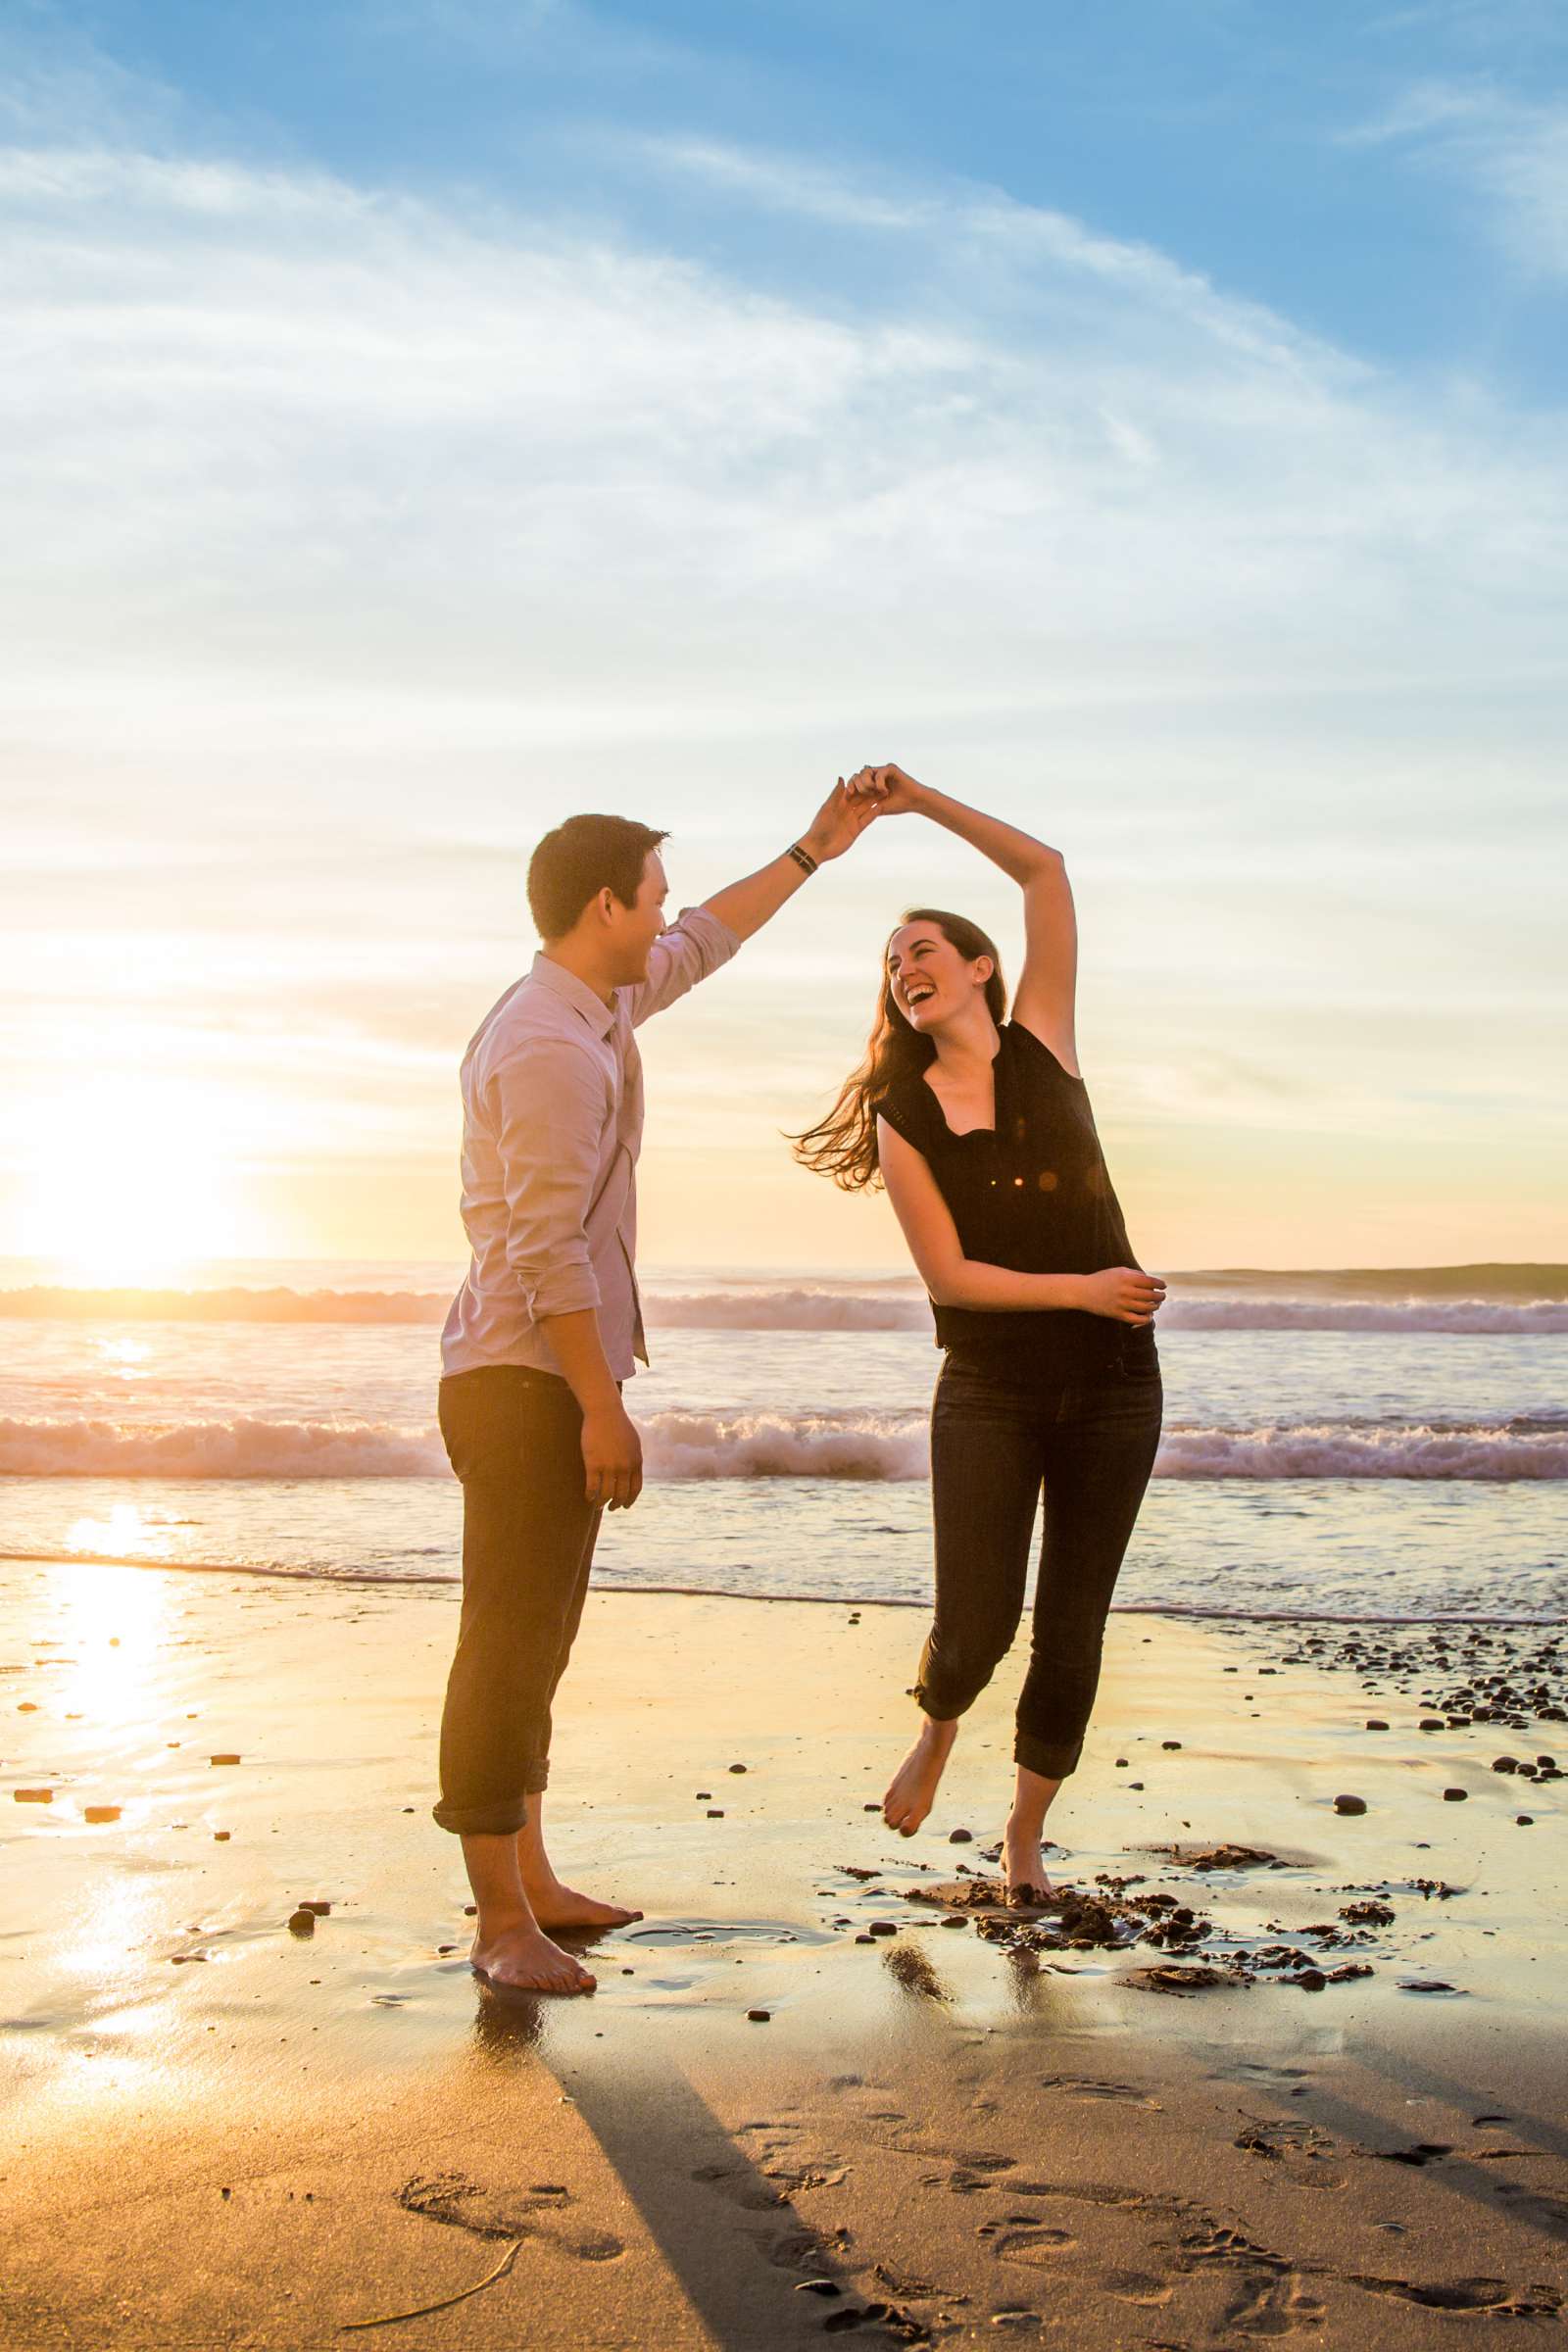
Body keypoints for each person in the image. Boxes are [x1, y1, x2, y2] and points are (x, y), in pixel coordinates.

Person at [438, 784, 878, 1994]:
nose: (667, 914)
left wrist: (814, 849)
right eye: (653, 896)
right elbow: (546, 1253)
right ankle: (496, 1923)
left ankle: (532, 1878)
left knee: (544, 1642)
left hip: (545, 1378)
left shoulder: (598, 998)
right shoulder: (542, 1044)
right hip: (526, 1383)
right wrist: (599, 1404)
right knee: (506, 1647)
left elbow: (711, 940)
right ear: (602, 907)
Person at [793, 762, 1165, 1902]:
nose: (905, 969)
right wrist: (1080, 1288)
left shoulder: (1044, 1042)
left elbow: (1043, 871)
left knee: (1072, 1628)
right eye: (891, 962)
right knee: (975, 1627)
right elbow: (950, 1280)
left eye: (921, 951)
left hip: (1114, 1387)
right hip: (991, 1390)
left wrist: (920, 803)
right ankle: (939, 1725)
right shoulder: (905, 1118)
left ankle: (1022, 1837)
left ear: (978, 969)